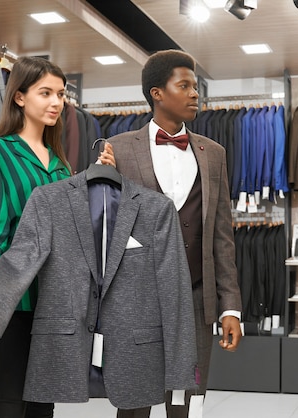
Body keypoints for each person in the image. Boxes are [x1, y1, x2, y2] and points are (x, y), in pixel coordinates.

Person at [0, 56, 110, 418]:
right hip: (16, 296)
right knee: (10, 401)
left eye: (60, 94)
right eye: (45, 93)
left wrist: (97, 181)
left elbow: (72, 231)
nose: (56, 102)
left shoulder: (60, 164)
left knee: (44, 402)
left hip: (56, 301)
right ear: (20, 97)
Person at [104, 49, 243, 418]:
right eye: (184, 86)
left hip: (197, 300)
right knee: (133, 404)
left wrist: (231, 307)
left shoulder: (213, 153)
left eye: (196, 87)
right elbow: (105, 229)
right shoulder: (116, 150)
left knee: (187, 402)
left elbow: (222, 238)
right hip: (137, 300)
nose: (195, 94)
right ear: (157, 93)